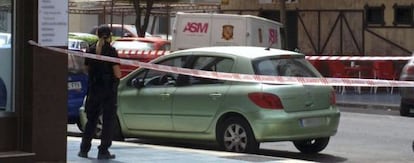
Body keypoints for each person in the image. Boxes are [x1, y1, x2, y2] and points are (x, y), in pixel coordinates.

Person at [78, 25, 121, 160]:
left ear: (97, 34)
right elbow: (118, 73)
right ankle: (103, 151)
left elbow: (85, 69)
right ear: (110, 35)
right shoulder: (111, 51)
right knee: (108, 121)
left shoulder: (90, 50)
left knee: (91, 120)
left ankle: (84, 149)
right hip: (108, 91)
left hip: (94, 90)